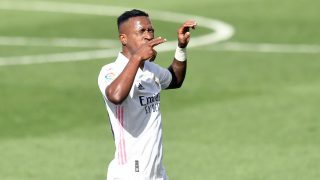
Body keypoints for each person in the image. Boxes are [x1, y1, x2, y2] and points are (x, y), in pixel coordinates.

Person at [98, 9, 197, 180]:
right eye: (141, 31)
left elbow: (174, 80)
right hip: (130, 172)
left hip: (156, 172)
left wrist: (181, 47)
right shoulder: (111, 71)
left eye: (150, 30)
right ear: (124, 38)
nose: (148, 35)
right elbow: (115, 95)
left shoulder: (150, 70)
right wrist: (136, 58)